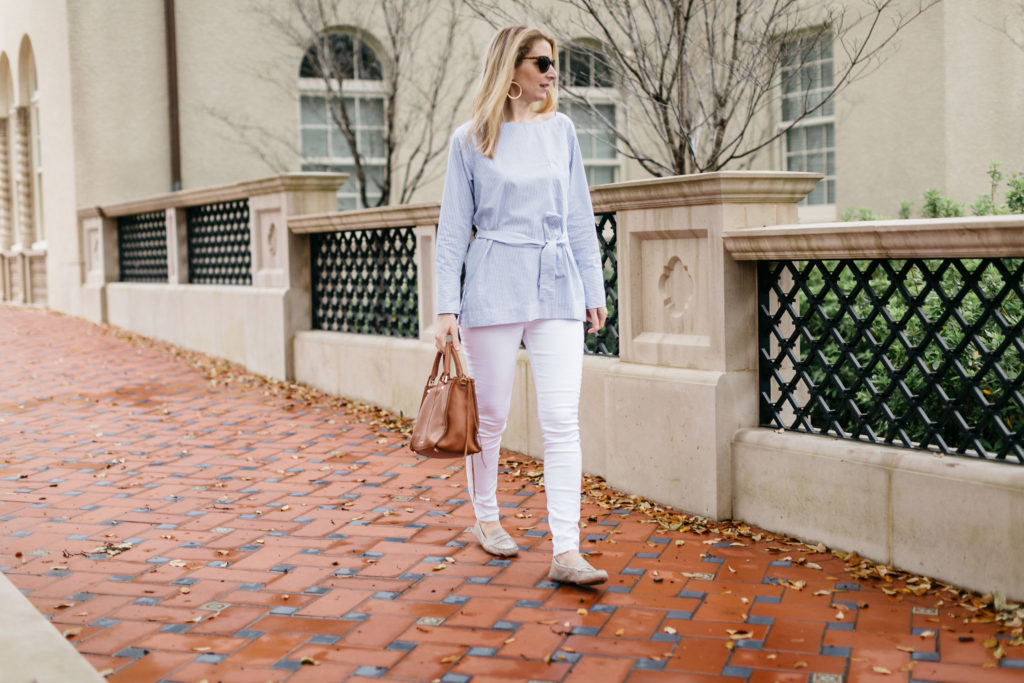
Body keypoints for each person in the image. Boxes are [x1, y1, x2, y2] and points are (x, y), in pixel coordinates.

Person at [433, 25, 608, 586]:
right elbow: (453, 231)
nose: (552, 73)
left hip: (557, 283)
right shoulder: (472, 138)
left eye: (554, 62)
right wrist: (445, 309)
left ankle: (567, 550)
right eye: (541, 62)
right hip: (494, 281)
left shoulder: (563, 131)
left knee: (561, 419)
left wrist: (594, 286)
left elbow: (580, 215)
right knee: (491, 416)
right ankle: (486, 518)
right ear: (511, 71)